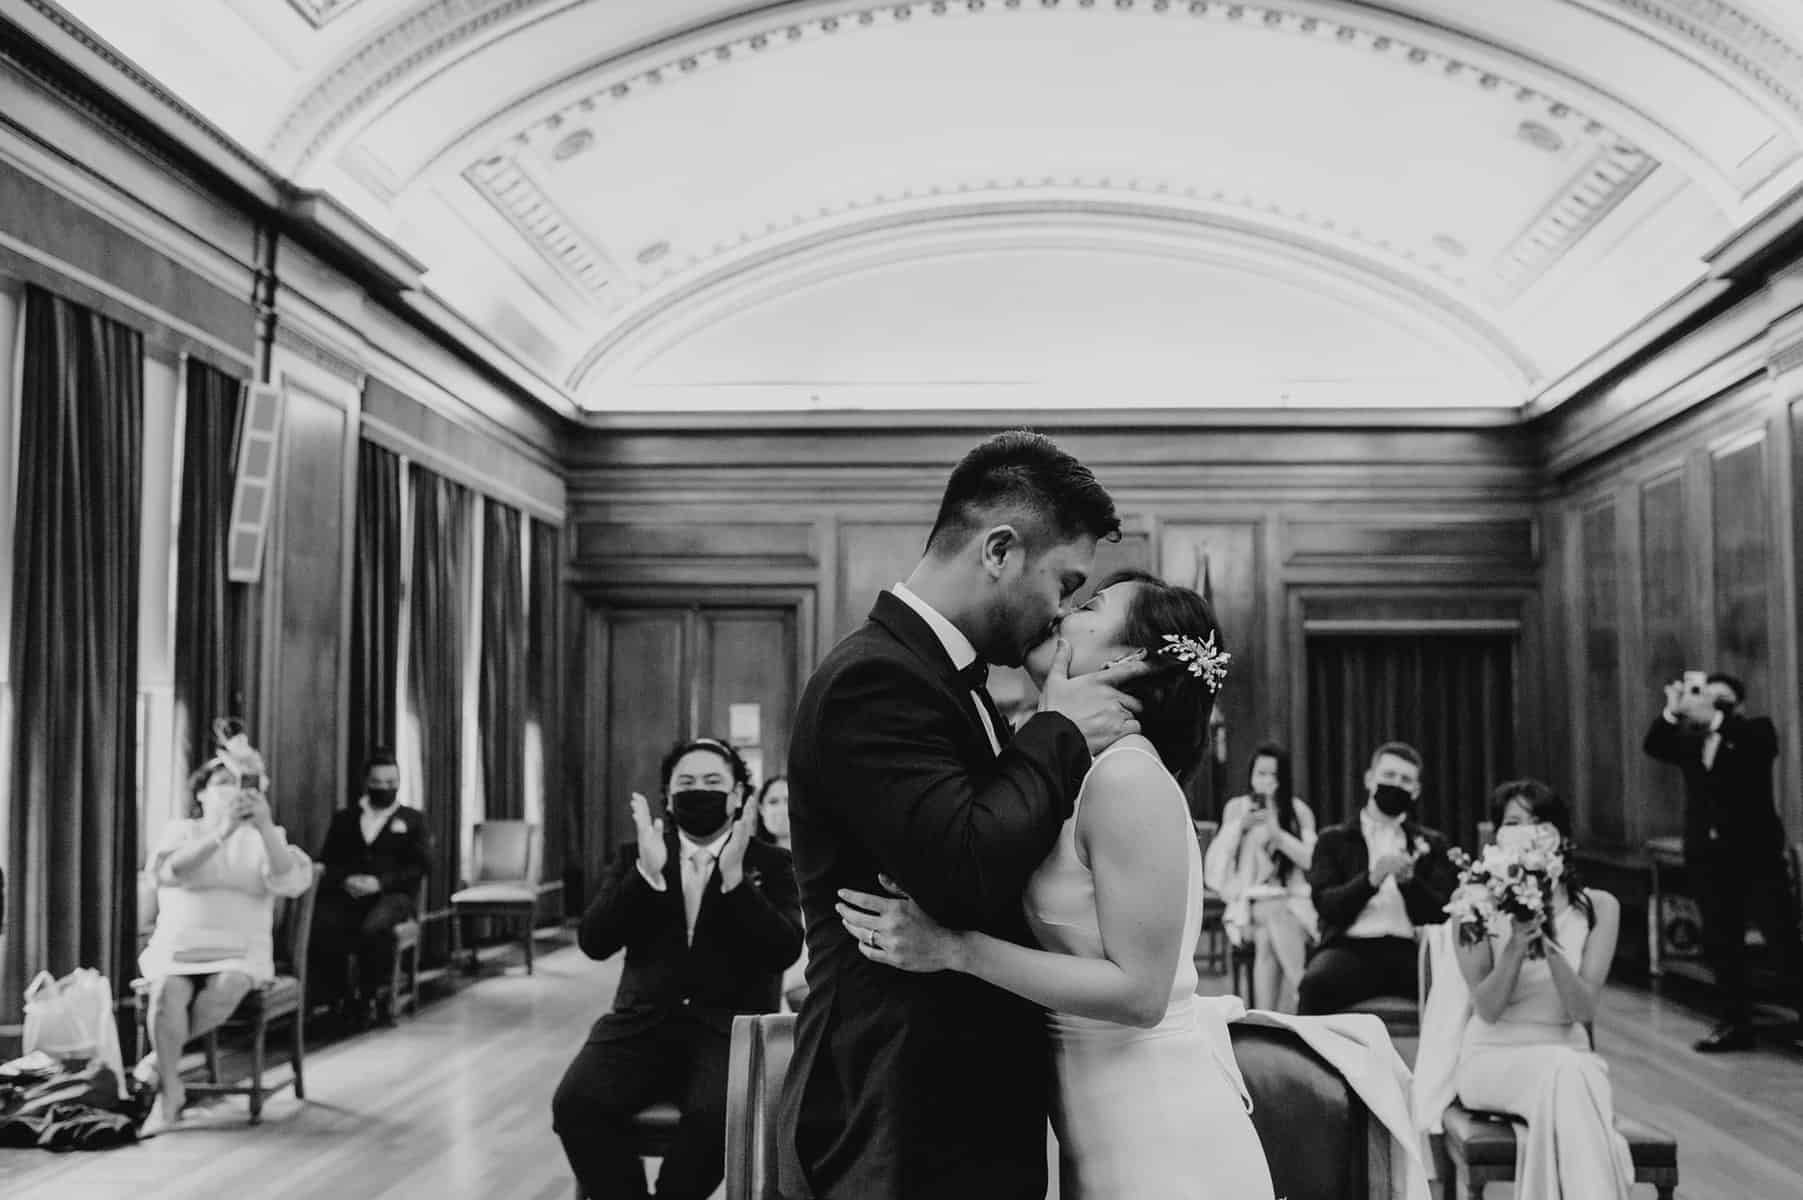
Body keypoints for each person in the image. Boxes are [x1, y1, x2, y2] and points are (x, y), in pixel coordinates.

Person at [777, 430, 1152, 1200]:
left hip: (955, 1112)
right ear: (999, 549)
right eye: (1064, 581)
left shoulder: (946, 677)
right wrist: (1059, 731)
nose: (1061, 610)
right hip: (896, 1118)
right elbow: (961, 872)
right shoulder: (874, 679)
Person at [838, 570, 1275, 1199]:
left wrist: (956, 950)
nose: (1062, 610)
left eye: (1089, 605)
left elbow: (1141, 992)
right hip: (1089, 1119)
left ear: (1128, 660)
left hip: (1158, 1127)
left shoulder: (1127, 777)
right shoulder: (1074, 770)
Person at [552, 736, 801, 1200]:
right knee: (575, 1104)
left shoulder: (772, 863)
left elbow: (784, 950)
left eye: (712, 781)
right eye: (686, 782)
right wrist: (645, 877)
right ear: (668, 797)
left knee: (716, 1119)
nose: (698, 791)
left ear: (737, 796)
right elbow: (593, 942)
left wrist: (734, 882)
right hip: (638, 1026)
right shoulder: (639, 855)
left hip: (729, 1033)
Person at [1449, 779, 1634, 1199]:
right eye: (1514, 822)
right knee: (1569, 1074)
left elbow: (1583, 1010)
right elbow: (1488, 1008)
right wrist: (1515, 943)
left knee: (1568, 1070)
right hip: (1493, 1058)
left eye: (1539, 822)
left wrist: (1547, 940)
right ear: (1497, 837)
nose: (1528, 832)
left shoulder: (1600, 908)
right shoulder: (1472, 902)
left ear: (1561, 838)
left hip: (1569, 1055)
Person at [132, 752, 314, 1131]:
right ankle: (171, 1092)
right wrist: (223, 831)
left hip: (241, 948)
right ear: (201, 793)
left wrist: (263, 827)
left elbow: (288, 880)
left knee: (226, 987)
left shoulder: (269, 837)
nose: (231, 791)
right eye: (221, 783)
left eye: (240, 784)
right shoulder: (181, 831)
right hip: (180, 946)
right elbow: (173, 870)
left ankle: (161, 1059)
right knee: (166, 995)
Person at [1643, 671, 1803, 1052]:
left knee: (1782, 941)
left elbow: (1755, 747)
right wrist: (1671, 711)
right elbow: (1654, 744)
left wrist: (1712, 716)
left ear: (1736, 707)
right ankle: (1735, 1024)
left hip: (1757, 859)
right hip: (1709, 860)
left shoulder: (1755, 732)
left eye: (1721, 701)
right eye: (1706, 698)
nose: (1710, 705)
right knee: (1721, 945)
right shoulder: (1690, 741)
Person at [1297, 741, 1457, 1016]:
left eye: (1406, 780)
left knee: (1454, 991)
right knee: (1315, 985)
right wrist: (1371, 880)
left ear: (1416, 791)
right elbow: (1327, 906)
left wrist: (1409, 883)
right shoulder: (1334, 839)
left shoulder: (1432, 843)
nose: (1396, 784)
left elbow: (1441, 913)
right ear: (1370, 780)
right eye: (1388, 776)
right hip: (1350, 948)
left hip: (1409, 951)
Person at [311, 747, 429, 1025]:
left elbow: (420, 867)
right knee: (323, 921)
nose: (385, 789)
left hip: (394, 897)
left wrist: (380, 883)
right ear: (367, 783)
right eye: (379, 783)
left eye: (391, 783)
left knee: (374, 928)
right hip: (349, 894)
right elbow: (327, 860)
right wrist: (345, 880)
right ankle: (335, 996)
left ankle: (371, 996)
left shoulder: (413, 820)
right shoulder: (345, 819)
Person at [1204, 742, 1317, 1012]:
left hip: (1292, 901)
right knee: (1270, 911)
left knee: (1268, 936)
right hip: (1248, 904)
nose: (1266, 782)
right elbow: (1216, 867)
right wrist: (1239, 829)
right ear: (1251, 775)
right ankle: (1305, 991)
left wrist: (1278, 834)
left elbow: (1312, 862)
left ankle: (1263, 1019)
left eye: (1274, 775)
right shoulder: (1236, 808)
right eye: (1261, 774)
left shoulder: (1299, 811)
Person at [755, 775, 810, 1010]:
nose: (781, 808)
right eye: (773, 801)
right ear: (760, 808)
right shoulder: (752, 863)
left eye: (788, 800)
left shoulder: (818, 861)